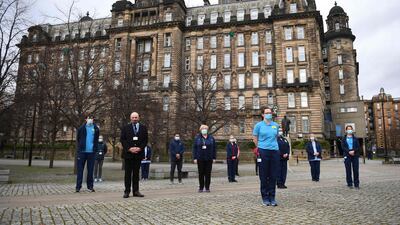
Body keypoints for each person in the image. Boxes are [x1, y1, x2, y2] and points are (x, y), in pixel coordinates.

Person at [253, 107, 280, 206]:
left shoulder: (275, 125)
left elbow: (276, 137)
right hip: (263, 151)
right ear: (263, 115)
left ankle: (272, 197)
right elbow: (255, 138)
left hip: (274, 151)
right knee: (264, 176)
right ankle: (265, 197)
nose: (269, 114)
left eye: (270, 112)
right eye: (267, 113)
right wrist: (259, 148)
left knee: (273, 175)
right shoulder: (258, 125)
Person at [120, 112, 148, 198]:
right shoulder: (125, 128)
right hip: (128, 154)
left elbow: (145, 140)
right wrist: (129, 148)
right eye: (133, 117)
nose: (134, 119)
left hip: (138, 154)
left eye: (136, 117)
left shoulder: (143, 128)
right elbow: (123, 140)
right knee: (128, 174)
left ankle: (136, 191)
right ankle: (127, 191)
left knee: (136, 173)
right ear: (130, 118)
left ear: (138, 118)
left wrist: (139, 148)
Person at [76, 115, 99, 193]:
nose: (90, 119)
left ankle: (90, 186)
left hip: (91, 153)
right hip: (82, 152)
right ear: (85, 119)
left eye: (92, 118)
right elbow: (78, 138)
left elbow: (96, 140)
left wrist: (95, 149)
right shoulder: (81, 128)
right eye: (88, 118)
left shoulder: (96, 129)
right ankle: (78, 187)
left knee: (90, 170)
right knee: (80, 170)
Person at [193, 125, 216, 193]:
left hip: (209, 158)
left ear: (207, 130)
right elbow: (194, 148)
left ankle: (207, 187)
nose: (204, 130)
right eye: (203, 128)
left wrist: (214, 157)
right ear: (200, 130)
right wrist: (195, 158)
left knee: (208, 173)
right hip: (200, 158)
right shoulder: (197, 138)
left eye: (205, 128)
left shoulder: (211, 138)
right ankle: (201, 187)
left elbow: (214, 148)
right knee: (201, 173)